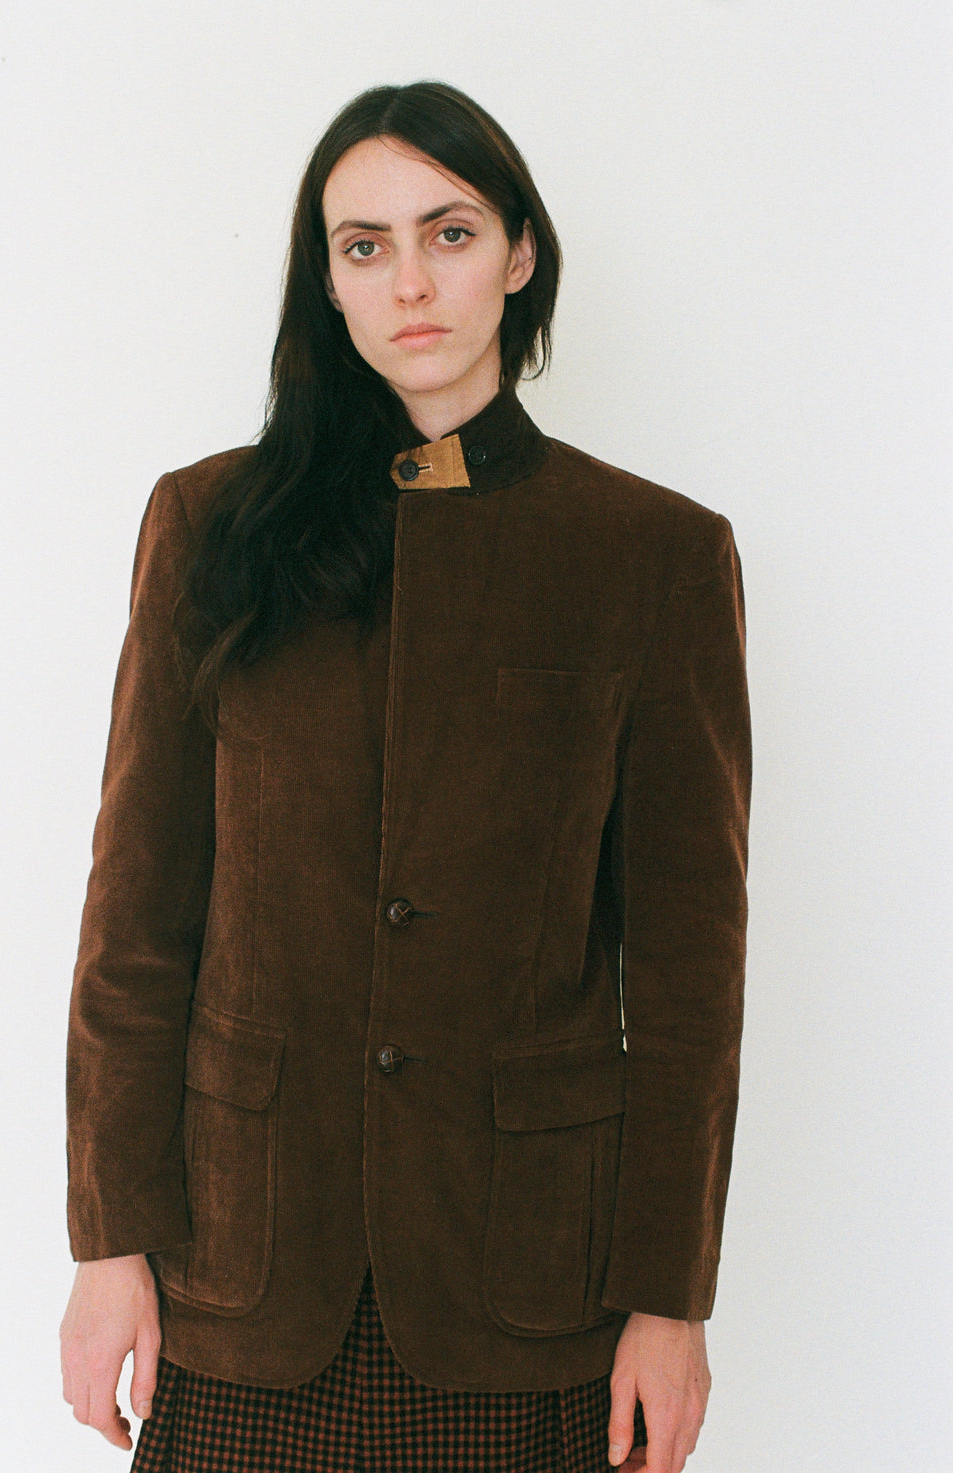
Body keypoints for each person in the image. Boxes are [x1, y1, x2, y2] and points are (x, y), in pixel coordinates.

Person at [60, 80, 751, 1473]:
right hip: (242, 1271)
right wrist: (107, 1241)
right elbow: (138, 922)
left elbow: (687, 975)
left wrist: (670, 1300)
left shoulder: (648, 555)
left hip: (525, 1280)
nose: (410, 280)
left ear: (521, 253)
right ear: (326, 279)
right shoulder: (210, 528)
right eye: (362, 245)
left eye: (449, 231)